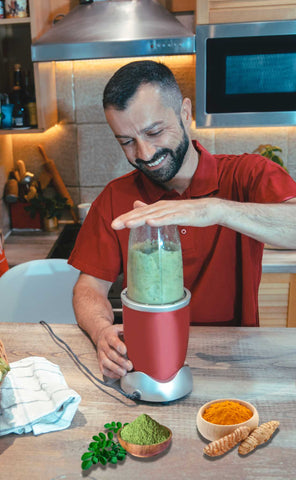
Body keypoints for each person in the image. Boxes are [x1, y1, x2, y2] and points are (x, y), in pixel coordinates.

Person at [68, 60, 296, 380]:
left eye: (154, 131)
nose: (144, 153)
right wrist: (101, 330)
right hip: (147, 358)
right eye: (127, 142)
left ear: (185, 113)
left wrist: (215, 209)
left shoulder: (248, 174)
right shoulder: (114, 198)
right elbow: (88, 287)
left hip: (233, 359)